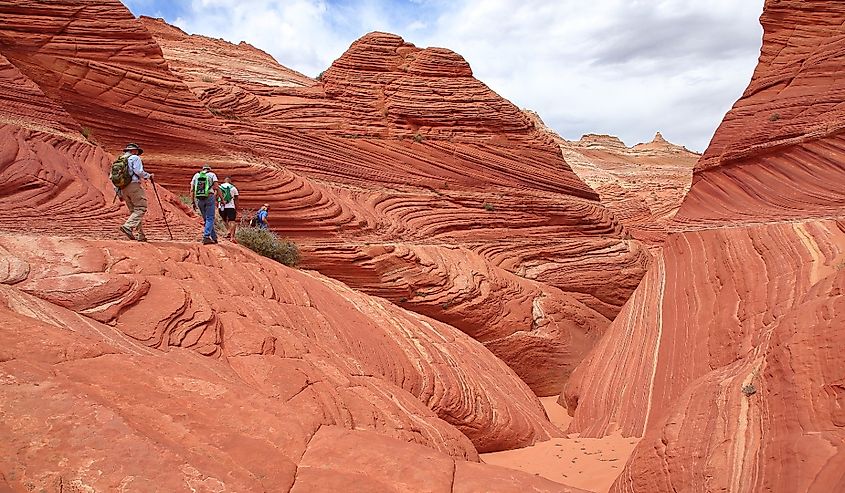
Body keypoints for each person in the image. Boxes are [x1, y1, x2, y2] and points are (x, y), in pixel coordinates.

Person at [116, 143, 153, 242]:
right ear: (134, 151)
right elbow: (138, 171)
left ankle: (141, 235)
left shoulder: (119, 159)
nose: (137, 153)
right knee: (141, 208)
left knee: (134, 211)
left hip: (123, 188)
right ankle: (127, 226)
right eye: (136, 151)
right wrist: (148, 176)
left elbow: (113, 177)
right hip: (133, 186)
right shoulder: (135, 158)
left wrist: (118, 191)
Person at [190, 164, 220, 244]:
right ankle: (206, 237)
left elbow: (192, 190)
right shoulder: (212, 174)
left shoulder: (196, 175)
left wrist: (193, 201)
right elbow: (216, 187)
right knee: (210, 218)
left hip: (199, 199)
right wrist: (218, 197)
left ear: (202, 169)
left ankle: (214, 238)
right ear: (209, 169)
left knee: (207, 219)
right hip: (209, 197)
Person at [218, 176, 239, 242]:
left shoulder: (220, 187)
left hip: (221, 206)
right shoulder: (233, 188)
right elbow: (236, 199)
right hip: (231, 207)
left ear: (224, 181)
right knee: (232, 221)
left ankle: (228, 231)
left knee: (224, 220)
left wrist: (220, 202)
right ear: (230, 181)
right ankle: (232, 236)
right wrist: (236, 208)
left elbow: (215, 196)